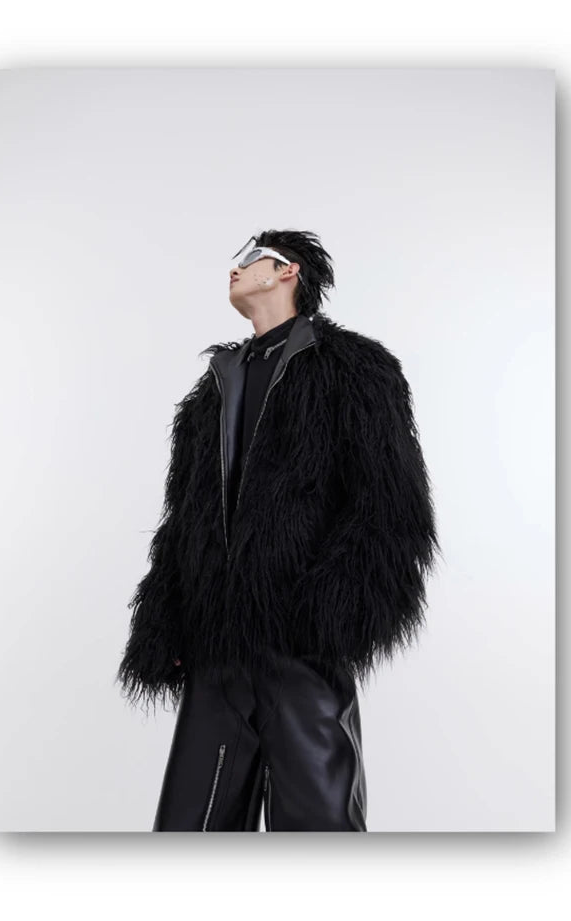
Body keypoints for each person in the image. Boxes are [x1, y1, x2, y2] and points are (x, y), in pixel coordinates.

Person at [116, 229, 439, 831]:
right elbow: (182, 523)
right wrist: (171, 619)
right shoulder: (211, 392)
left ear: (289, 271)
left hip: (300, 640)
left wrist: (324, 612)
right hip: (215, 647)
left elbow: (391, 506)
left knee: (319, 826)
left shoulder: (354, 370)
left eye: (251, 258)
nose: (234, 269)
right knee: (190, 826)